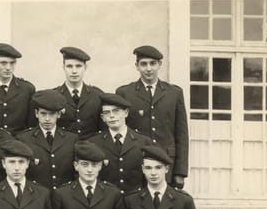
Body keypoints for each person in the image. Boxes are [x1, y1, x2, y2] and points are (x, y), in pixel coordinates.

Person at [116, 45, 189, 188]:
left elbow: (181, 134)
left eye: (152, 63)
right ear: (137, 66)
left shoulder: (174, 93)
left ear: (159, 65)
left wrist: (180, 171)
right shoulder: (125, 93)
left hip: (166, 163)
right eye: (143, 64)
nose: (148, 69)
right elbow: (120, 131)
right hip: (135, 163)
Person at [88, 92, 149, 195]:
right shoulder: (93, 143)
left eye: (116, 111)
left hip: (136, 200)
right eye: (107, 112)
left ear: (126, 113)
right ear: (102, 118)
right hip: (105, 200)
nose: (112, 116)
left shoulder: (144, 142)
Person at [17, 89, 77, 191]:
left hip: (65, 196)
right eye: (43, 114)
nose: (47, 119)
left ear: (59, 114)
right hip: (35, 196)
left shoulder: (72, 139)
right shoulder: (24, 139)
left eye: (52, 114)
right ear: (36, 113)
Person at [54, 47, 104, 140]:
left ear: (85, 67)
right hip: (63, 147)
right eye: (69, 66)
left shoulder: (97, 95)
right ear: (63, 67)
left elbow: (104, 130)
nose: (74, 71)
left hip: (91, 147)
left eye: (78, 66)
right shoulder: (54, 96)